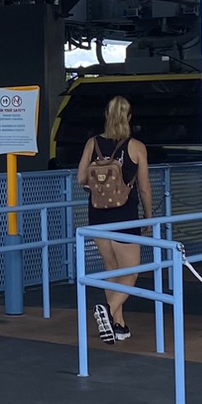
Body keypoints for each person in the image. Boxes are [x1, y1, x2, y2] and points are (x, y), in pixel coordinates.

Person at [75, 94, 152, 344]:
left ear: (107, 116)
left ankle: (119, 325)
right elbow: (144, 187)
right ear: (129, 118)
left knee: (111, 268)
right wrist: (149, 216)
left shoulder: (92, 143)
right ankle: (108, 310)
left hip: (97, 215)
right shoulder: (136, 146)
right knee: (131, 272)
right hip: (126, 216)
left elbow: (80, 179)